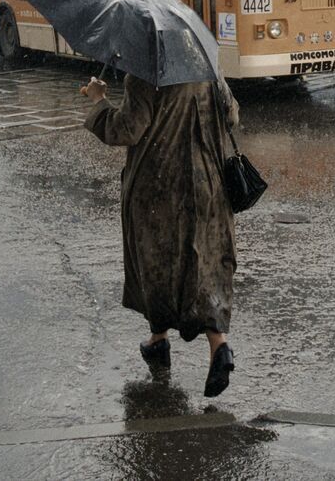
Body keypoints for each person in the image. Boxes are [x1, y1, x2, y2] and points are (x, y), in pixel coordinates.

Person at [81, 71, 239, 397]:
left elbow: (127, 129)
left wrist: (99, 101)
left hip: (159, 189)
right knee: (204, 263)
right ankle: (217, 345)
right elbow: (232, 115)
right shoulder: (206, 69)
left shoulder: (143, 76)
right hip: (207, 184)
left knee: (157, 263)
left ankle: (159, 338)